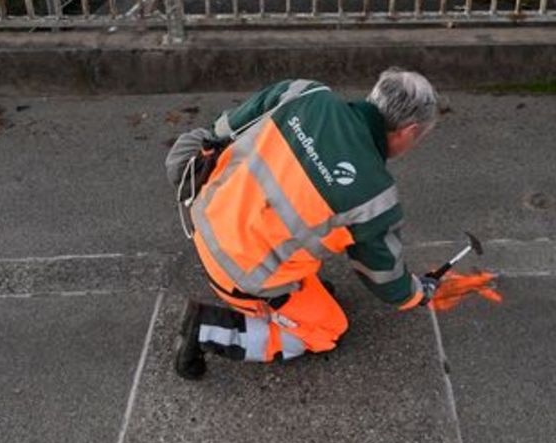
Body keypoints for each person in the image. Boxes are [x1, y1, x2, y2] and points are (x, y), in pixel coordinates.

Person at [164, 68, 440, 379]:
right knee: (328, 329)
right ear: (408, 131)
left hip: (204, 216)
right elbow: (384, 278)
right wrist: (417, 292)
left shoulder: (304, 92)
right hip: (238, 272)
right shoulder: (376, 197)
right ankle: (207, 331)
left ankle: (295, 292)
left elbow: (224, 128)